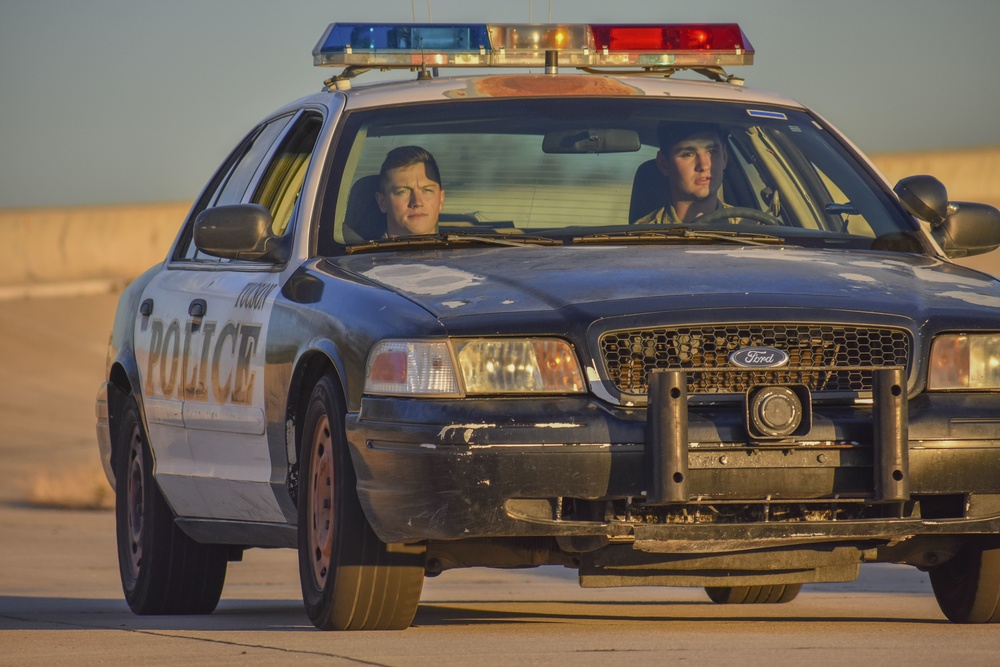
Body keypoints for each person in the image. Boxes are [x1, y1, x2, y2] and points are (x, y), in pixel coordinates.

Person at [634, 122, 731, 225]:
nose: (704, 166)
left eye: (712, 152)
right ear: (664, 165)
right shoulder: (644, 236)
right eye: (688, 154)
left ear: (724, 157)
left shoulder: (745, 228)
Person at [375, 145, 445, 237]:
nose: (417, 202)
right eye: (403, 192)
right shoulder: (358, 251)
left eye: (427, 190)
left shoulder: (467, 250)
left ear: (441, 199)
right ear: (382, 202)